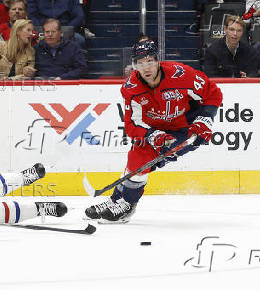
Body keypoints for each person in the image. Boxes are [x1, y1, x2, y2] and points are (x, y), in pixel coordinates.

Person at [85, 39, 223, 223]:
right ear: (134, 65)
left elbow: (212, 93)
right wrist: (152, 135)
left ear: (158, 60)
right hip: (155, 131)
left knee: (142, 160)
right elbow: (132, 124)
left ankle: (126, 204)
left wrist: (204, 119)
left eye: (150, 61)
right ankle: (116, 201)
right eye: (140, 63)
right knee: (138, 157)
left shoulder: (181, 74)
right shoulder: (130, 88)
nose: (146, 67)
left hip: (185, 130)